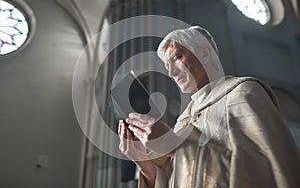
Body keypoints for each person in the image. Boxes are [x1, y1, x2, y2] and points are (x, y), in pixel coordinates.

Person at [118, 26, 300, 188]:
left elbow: (263, 168)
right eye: (167, 67)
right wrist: (144, 163)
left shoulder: (244, 94)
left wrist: (176, 147)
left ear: (204, 53)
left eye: (177, 57)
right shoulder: (183, 120)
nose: (172, 73)